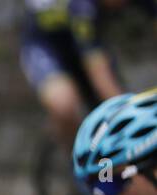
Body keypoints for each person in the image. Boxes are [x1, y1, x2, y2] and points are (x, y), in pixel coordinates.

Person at [19, 0, 157, 145]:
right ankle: (74, 158)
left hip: (85, 44)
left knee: (109, 109)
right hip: (47, 49)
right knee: (64, 105)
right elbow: (98, 70)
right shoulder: (82, 7)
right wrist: (130, 116)